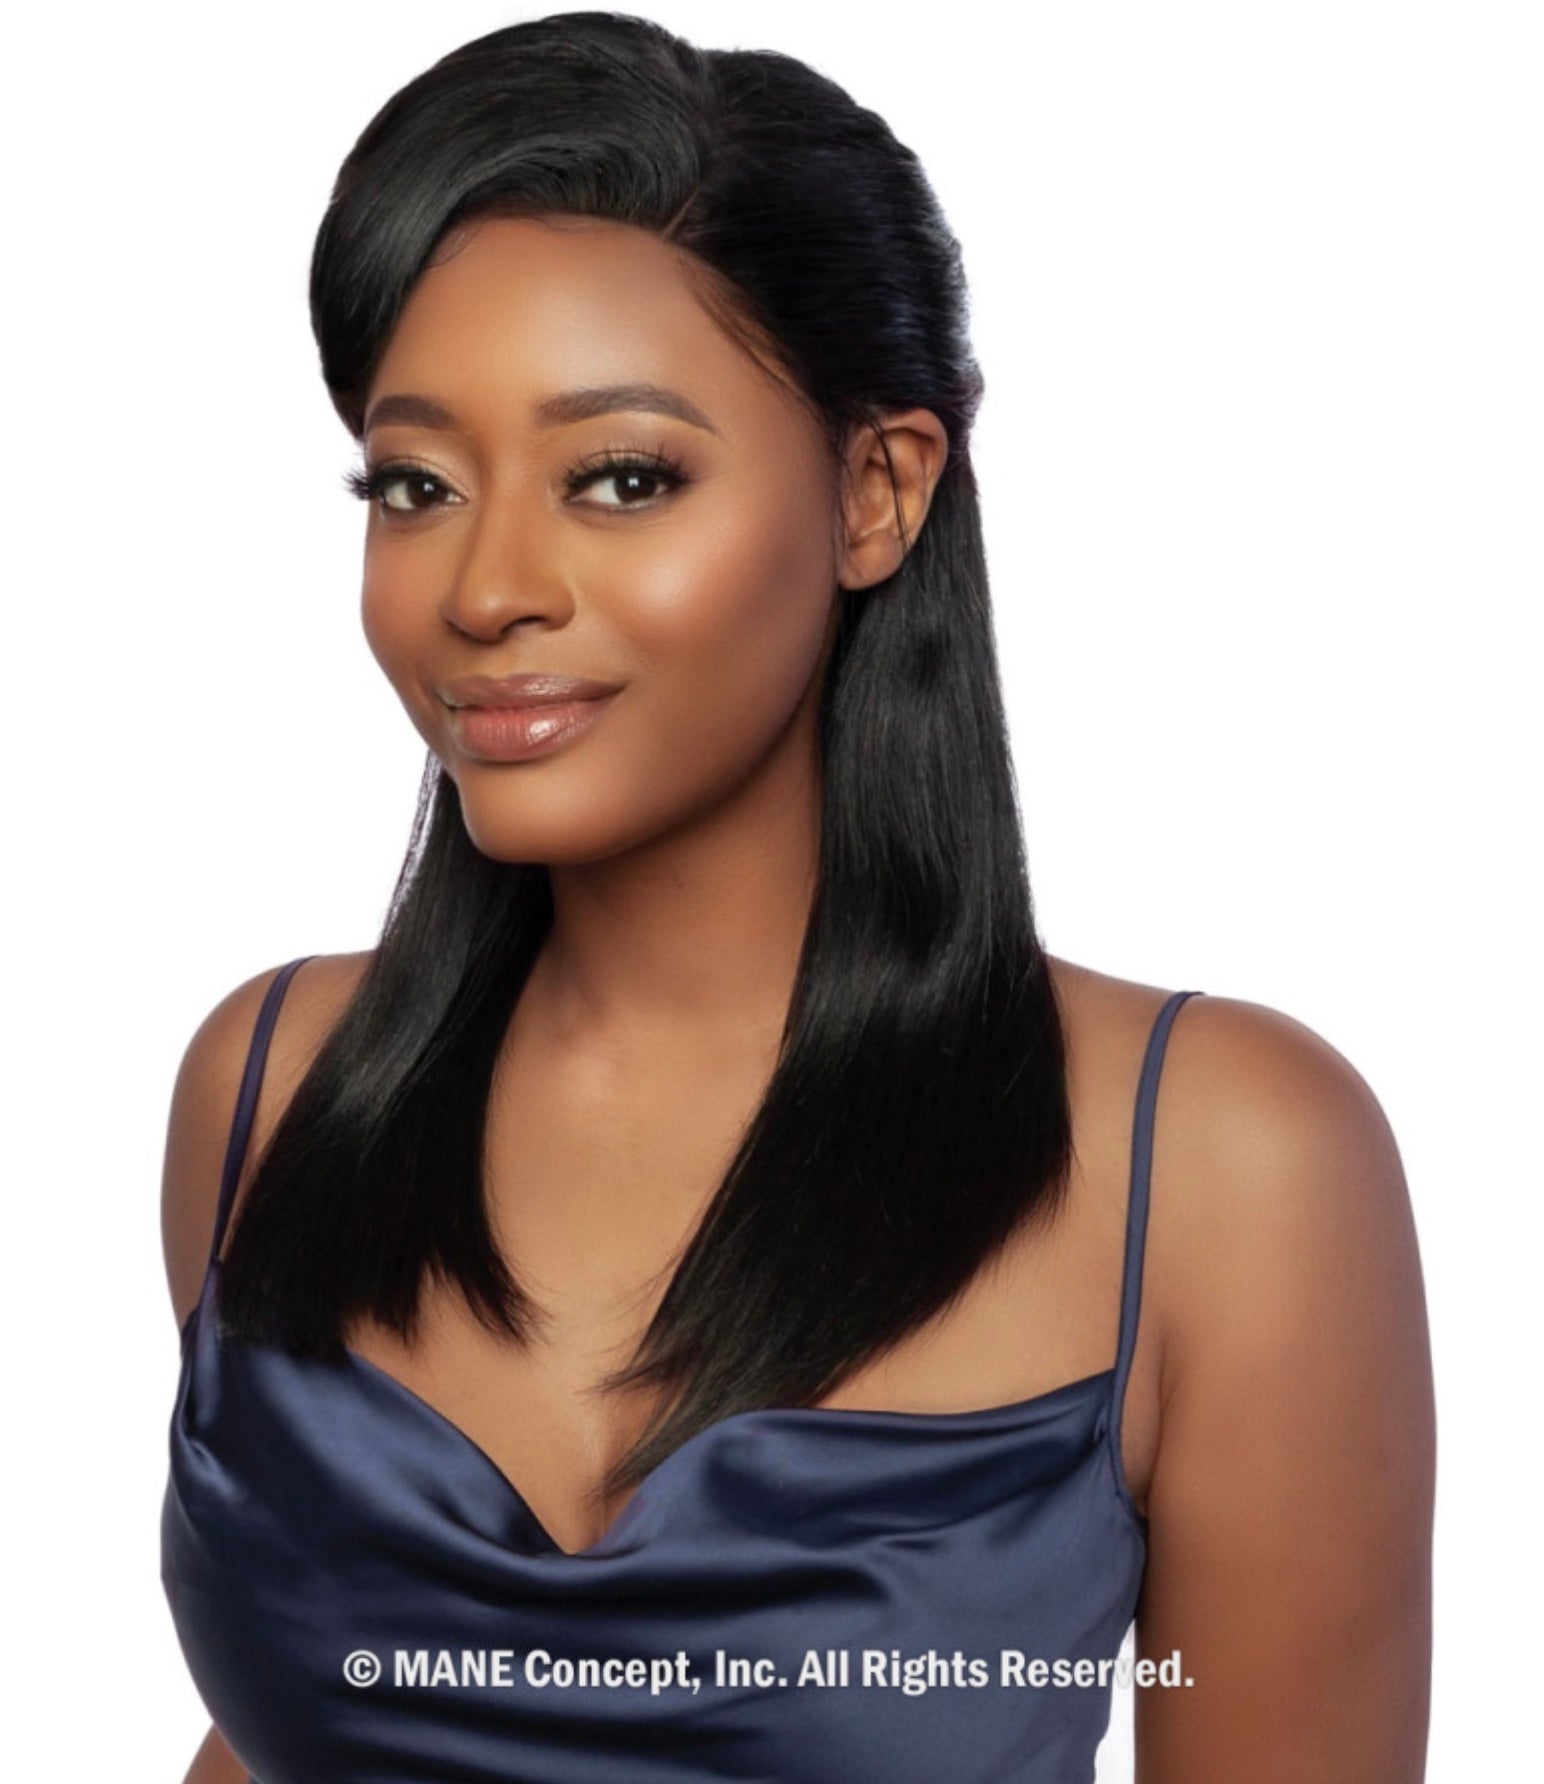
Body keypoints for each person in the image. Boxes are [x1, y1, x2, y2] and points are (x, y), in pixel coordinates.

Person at [159, 12, 1434, 1782]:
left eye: (622, 478)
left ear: (875, 492)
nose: (487, 587)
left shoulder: (1223, 1166)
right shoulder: (276, 1087)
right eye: (416, 484)